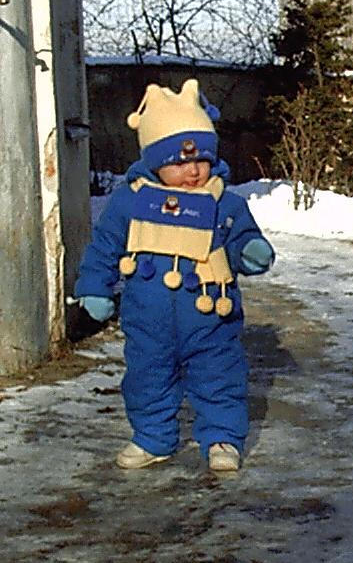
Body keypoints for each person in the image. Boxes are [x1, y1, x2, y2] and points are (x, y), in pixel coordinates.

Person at [74, 78, 275, 474]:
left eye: (201, 159)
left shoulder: (223, 202)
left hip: (210, 316)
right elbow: (105, 246)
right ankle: (152, 437)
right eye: (179, 162)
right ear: (155, 161)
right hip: (147, 317)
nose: (193, 170)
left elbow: (241, 237)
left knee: (219, 378)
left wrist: (250, 250)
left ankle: (221, 437)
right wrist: (94, 287)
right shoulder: (131, 201)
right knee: (147, 379)